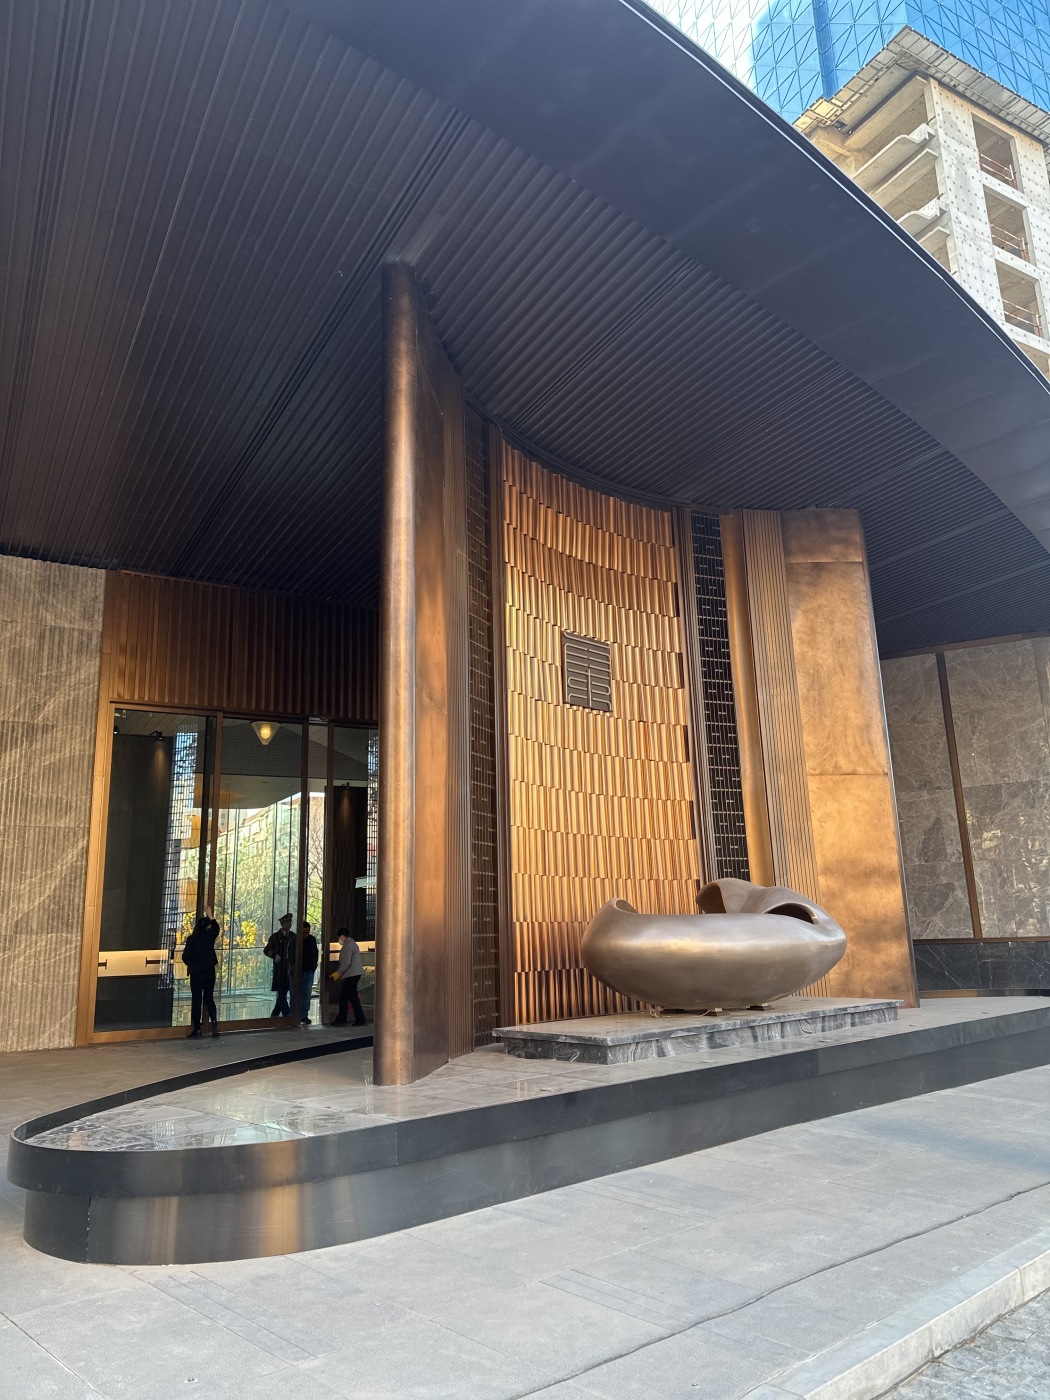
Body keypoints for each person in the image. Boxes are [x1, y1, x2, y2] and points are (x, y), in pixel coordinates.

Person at [182, 904, 220, 1038]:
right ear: (207, 927)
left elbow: (185, 956)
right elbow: (216, 929)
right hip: (209, 971)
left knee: (197, 999)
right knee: (209, 998)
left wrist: (190, 963)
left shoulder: (192, 940)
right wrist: (210, 915)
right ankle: (214, 1024)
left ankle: (197, 1028)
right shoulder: (209, 937)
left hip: (196, 971)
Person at [331, 927, 367, 1026]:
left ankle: (341, 1020)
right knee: (352, 998)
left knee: (344, 998)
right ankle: (360, 1019)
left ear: (342, 936)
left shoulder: (347, 945)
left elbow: (346, 962)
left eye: (339, 937)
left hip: (351, 974)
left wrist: (339, 973)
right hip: (355, 974)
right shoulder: (352, 943)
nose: (339, 940)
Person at [264, 913, 295, 1017]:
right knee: (282, 993)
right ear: (282, 924)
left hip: (289, 970)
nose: (289, 924)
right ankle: (287, 1015)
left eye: (290, 922)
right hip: (279, 970)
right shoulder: (275, 937)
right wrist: (274, 955)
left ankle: (274, 1015)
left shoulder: (293, 936)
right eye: (287, 922)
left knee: (283, 993)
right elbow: (266, 950)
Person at [298, 921, 319, 1025]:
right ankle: (294, 1015)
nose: (305, 935)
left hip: (308, 971)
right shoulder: (295, 940)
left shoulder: (312, 940)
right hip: (297, 971)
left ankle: (304, 1015)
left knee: (306, 994)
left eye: (307, 932)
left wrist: (313, 968)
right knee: (296, 994)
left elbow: (315, 954)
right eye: (303, 933)